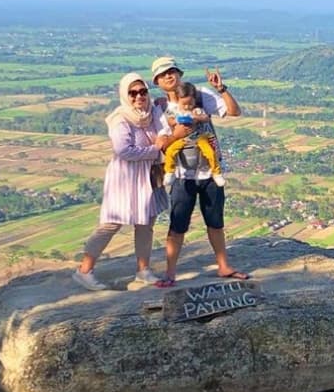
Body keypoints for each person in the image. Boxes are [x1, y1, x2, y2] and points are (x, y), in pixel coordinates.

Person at [149, 56, 248, 283]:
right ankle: (170, 273)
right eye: (163, 74)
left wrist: (221, 89)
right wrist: (178, 134)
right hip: (182, 174)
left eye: (172, 71)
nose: (169, 76)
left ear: (180, 73)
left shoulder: (199, 94)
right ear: (157, 82)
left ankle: (223, 266)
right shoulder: (159, 108)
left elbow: (234, 112)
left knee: (215, 221)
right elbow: (161, 144)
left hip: (210, 172)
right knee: (178, 225)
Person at [73, 72, 173, 291]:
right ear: (125, 95)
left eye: (143, 91)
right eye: (133, 93)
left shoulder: (152, 112)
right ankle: (84, 271)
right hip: (125, 177)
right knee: (111, 223)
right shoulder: (120, 119)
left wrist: (162, 138)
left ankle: (143, 270)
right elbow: (124, 151)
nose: (139, 96)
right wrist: (156, 149)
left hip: (148, 176)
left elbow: (164, 129)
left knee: (146, 224)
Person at [160, 81, 225, 188]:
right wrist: (176, 121)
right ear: (178, 100)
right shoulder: (175, 111)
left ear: (194, 101)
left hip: (199, 137)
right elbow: (169, 120)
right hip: (184, 140)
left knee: (210, 152)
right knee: (171, 151)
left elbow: (206, 118)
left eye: (190, 104)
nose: (187, 107)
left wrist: (196, 118)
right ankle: (170, 172)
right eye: (184, 104)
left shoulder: (197, 110)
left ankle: (216, 173)